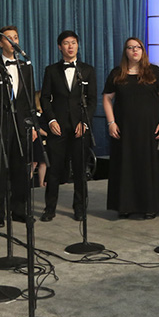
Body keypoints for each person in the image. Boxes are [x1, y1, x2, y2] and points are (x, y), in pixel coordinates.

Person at [102, 37, 159, 219]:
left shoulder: (154, 71)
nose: (134, 51)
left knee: (148, 166)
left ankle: (150, 206)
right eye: (130, 48)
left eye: (137, 47)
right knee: (126, 166)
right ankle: (125, 206)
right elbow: (107, 98)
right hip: (124, 129)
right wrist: (111, 122)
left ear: (143, 50)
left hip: (149, 128)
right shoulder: (117, 73)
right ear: (125, 52)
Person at [39, 30, 97, 221]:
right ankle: (50, 208)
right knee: (55, 169)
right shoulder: (51, 70)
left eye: (73, 42)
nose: (70, 46)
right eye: (66, 43)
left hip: (80, 127)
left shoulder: (87, 70)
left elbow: (92, 99)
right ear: (59, 47)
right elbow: (45, 98)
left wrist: (85, 122)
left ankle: (79, 208)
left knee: (80, 169)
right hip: (58, 126)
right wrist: (51, 120)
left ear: (78, 46)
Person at [0, 25, 37, 223]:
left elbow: (30, 99)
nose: (13, 41)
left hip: (22, 124)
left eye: (15, 37)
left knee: (21, 169)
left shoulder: (27, 66)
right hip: (1, 123)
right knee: (0, 169)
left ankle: (19, 210)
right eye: (8, 38)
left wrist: (33, 125)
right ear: (0, 43)